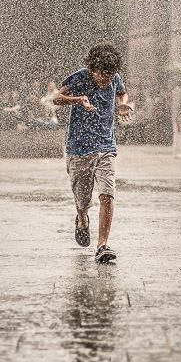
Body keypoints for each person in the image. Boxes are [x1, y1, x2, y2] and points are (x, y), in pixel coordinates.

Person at [53, 42, 133, 264]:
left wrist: (123, 104)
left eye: (110, 77)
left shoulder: (115, 79)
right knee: (83, 198)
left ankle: (102, 245)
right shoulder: (79, 77)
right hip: (79, 149)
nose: (107, 81)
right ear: (92, 70)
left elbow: (123, 93)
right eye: (102, 77)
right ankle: (81, 218)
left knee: (107, 194)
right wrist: (78, 99)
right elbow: (56, 98)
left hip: (106, 146)